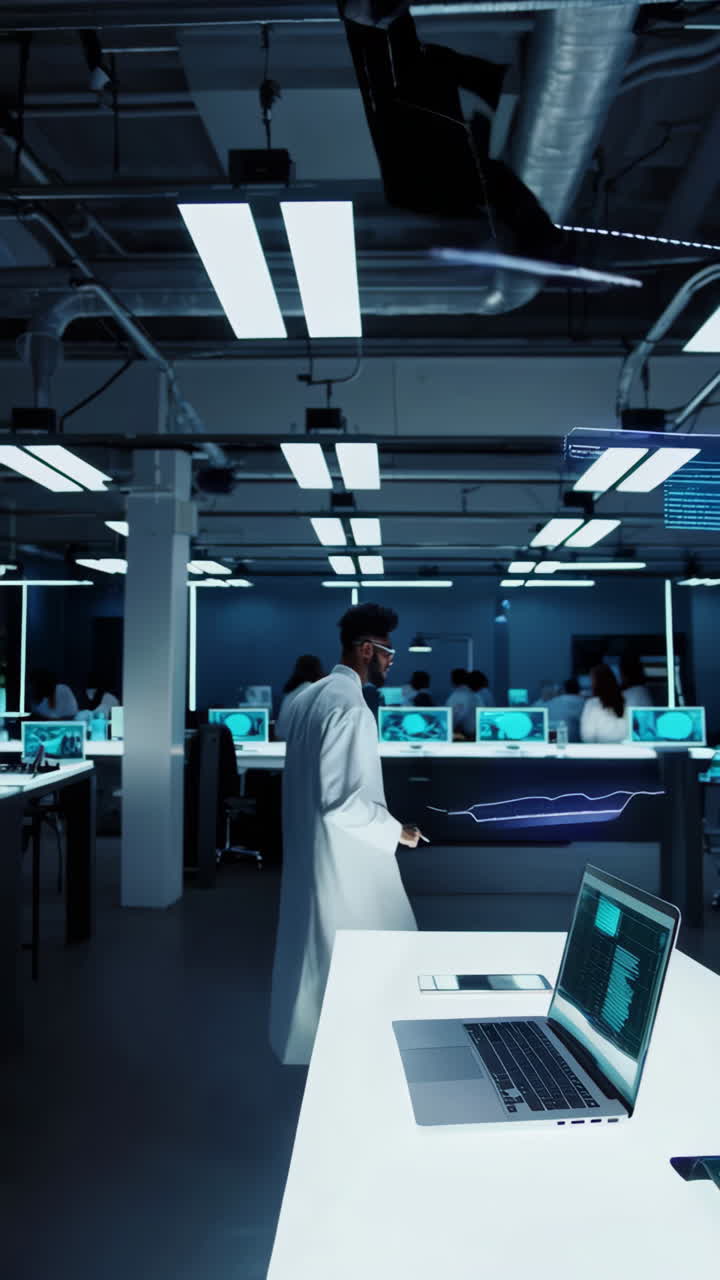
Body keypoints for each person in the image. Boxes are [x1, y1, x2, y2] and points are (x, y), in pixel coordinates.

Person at [270, 603, 423, 1066]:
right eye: (387, 652)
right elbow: (341, 802)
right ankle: (363, 1060)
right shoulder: (352, 710)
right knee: (381, 948)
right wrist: (399, 831)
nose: (392, 661)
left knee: (317, 957)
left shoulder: (308, 697)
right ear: (365, 650)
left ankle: (324, 1054)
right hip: (344, 855)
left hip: (308, 849)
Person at [275, 655, 325, 741]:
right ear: (318, 670)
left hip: (283, 743)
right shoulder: (313, 691)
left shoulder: (291, 692)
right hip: (299, 744)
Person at [580, 664, 627, 744]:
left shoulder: (592, 704)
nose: (591, 684)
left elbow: (587, 736)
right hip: (624, 751)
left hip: (599, 752)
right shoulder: (625, 701)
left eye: (591, 680)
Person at [546, 677, 585, 743]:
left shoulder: (551, 702)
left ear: (563, 690)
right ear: (579, 690)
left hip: (552, 743)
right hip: (575, 744)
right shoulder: (583, 703)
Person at [446, 668, 476, 737]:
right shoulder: (476, 696)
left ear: (453, 681)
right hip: (477, 735)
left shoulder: (455, 697)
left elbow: (451, 720)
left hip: (464, 736)